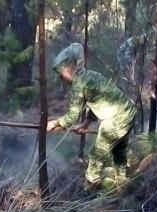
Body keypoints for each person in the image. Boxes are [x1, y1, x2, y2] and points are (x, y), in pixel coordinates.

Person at [47, 43, 137, 191]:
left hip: (116, 118)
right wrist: (85, 124)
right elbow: (99, 101)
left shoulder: (79, 84)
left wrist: (54, 123)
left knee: (96, 154)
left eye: (61, 74)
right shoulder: (90, 75)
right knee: (118, 151)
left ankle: (90, 188)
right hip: (128, 113)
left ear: (69, 69)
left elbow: (72, 116)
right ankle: (122, 184)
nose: (61, 79)